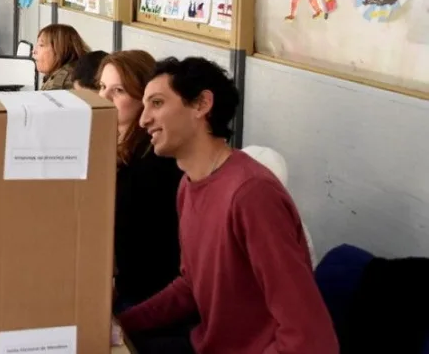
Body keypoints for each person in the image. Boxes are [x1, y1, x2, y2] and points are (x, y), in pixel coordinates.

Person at [119, 57, 338, 354]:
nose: (143, 119)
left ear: (201, 104)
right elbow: (192, 286)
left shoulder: (251, 195)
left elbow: (310, 338)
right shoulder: (188, 185)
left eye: (157, 103)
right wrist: (121, 323)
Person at [93, 51, 183, 311]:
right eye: (102, 87)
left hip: (144, 294)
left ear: (145, 98)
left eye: (118, 90)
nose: (104, 97)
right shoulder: (111, 140)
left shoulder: (153, 160)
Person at [33, 23, 89, 90]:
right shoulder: (76, 71)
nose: (34, 51)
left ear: (60, 49)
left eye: (41, 45)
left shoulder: (61, 84)